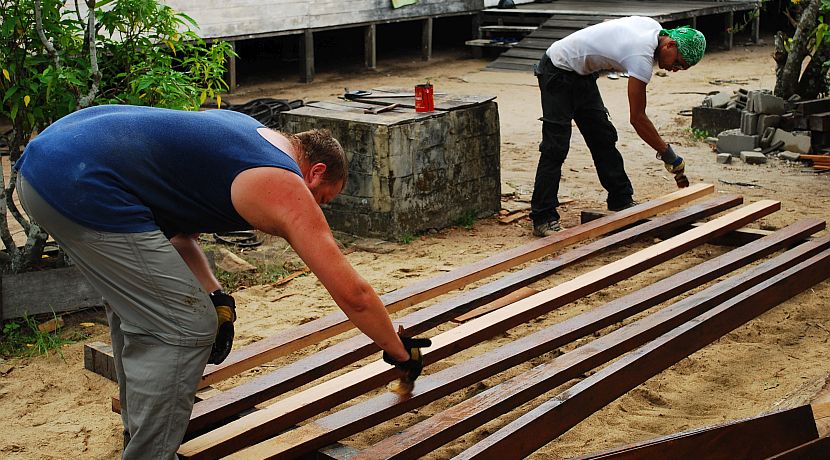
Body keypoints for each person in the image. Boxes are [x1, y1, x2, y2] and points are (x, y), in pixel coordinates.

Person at [14, 105, 429, 459]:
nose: (317, 208)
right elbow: (352, 294)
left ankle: (139, 435)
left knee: (147, 311)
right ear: (315, 171)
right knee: (184, 327)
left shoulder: (244, 132)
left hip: (47, 169)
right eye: (322, 198)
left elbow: (178, 234)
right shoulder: (280, 180)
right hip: (77, 183)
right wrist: (398, 350)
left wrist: (215, 295)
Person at [530, 16, 706, 237]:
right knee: (555, 147)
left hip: (582, 75)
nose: (675, 69)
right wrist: (668, 154)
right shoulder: (641, 55)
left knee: (603, 137)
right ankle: (543, 217)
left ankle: (621, 201)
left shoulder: (653, 27)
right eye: (678, 62)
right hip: (556, 69)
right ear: (670, 44)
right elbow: (638, 118)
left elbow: (609, 23)